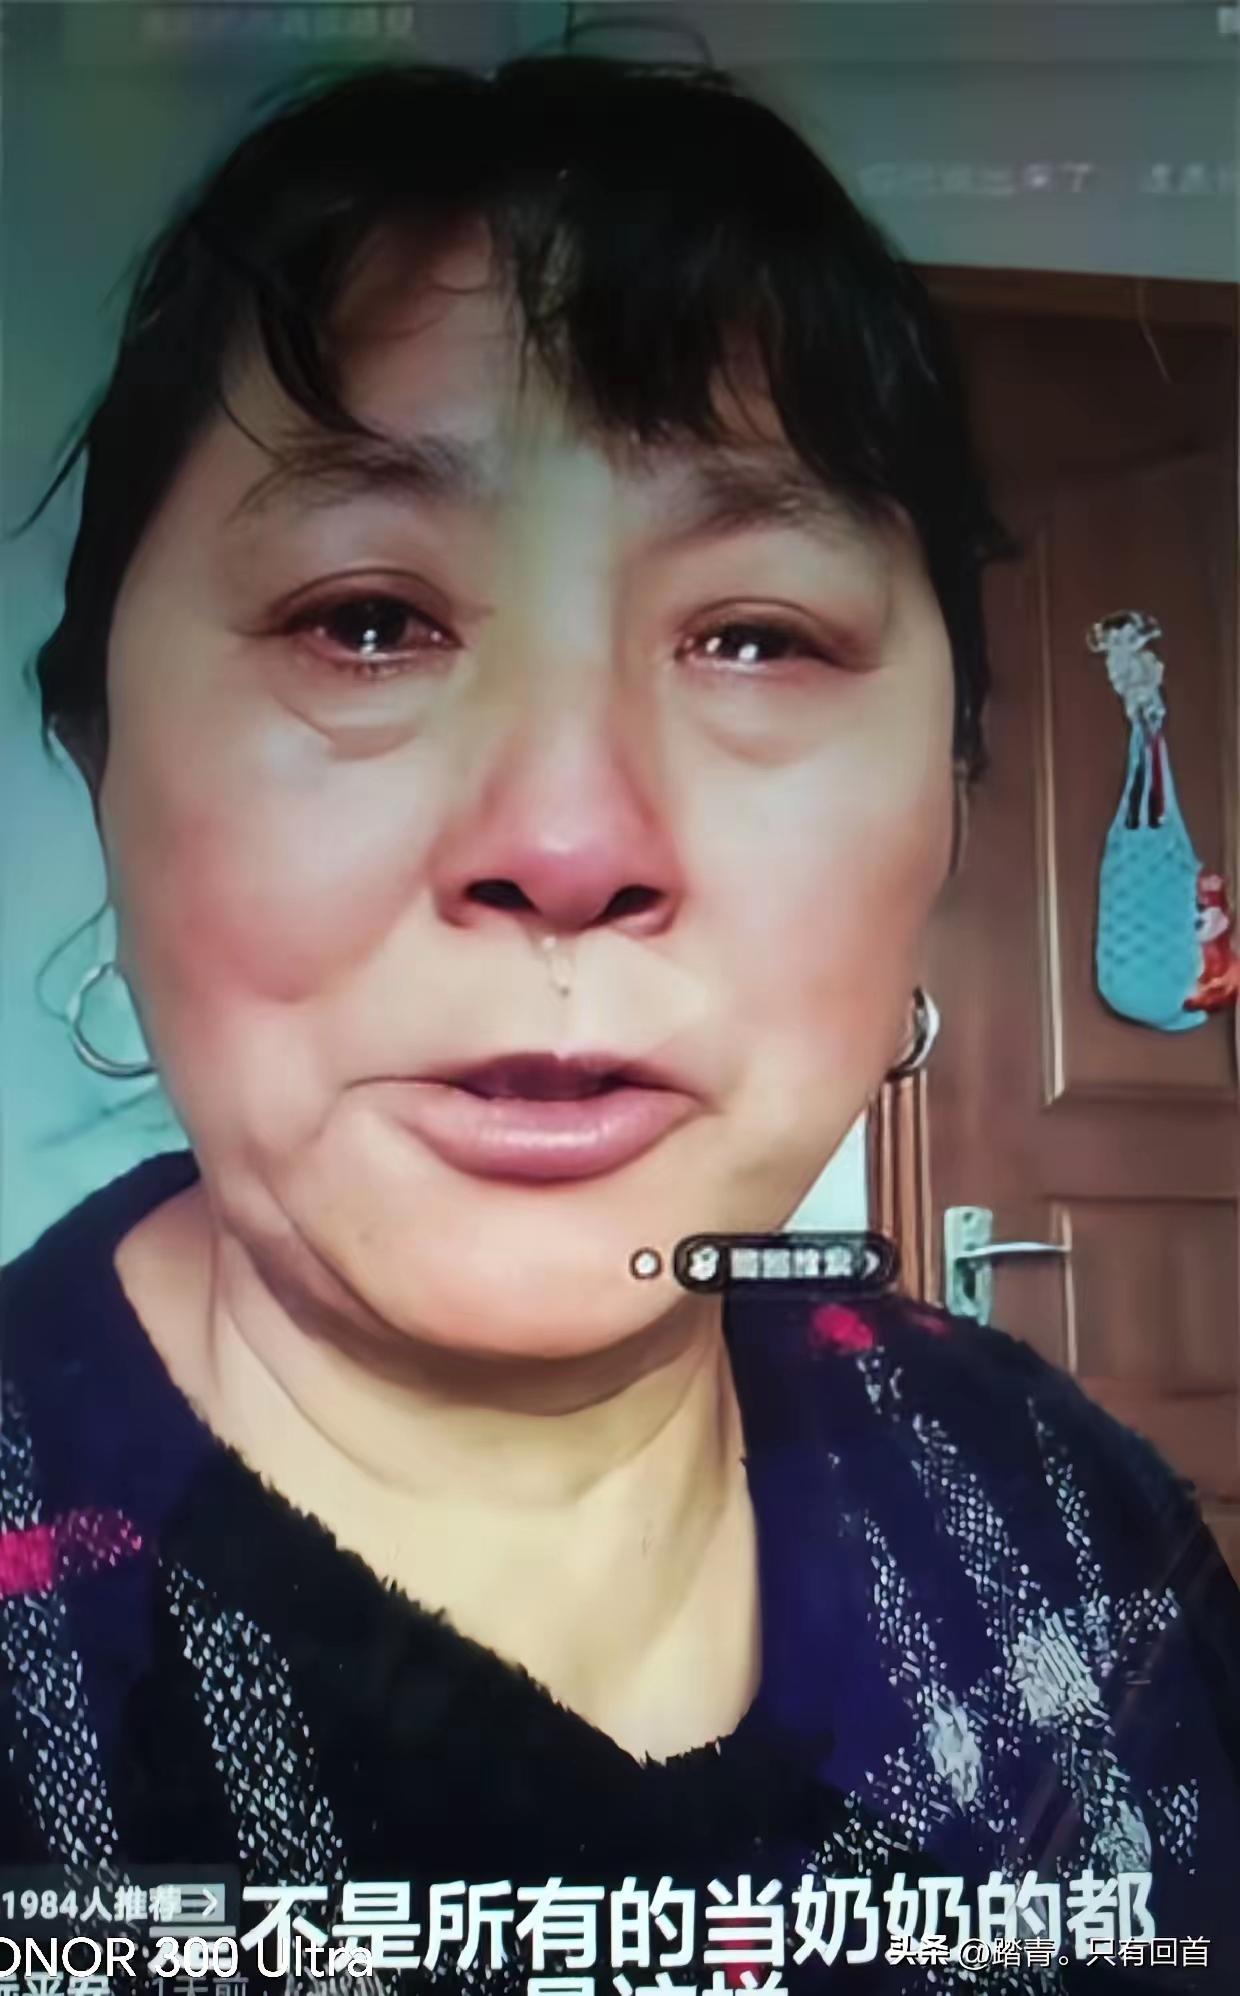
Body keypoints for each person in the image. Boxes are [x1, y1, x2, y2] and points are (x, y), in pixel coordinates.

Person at [2, 54, 1237, 1994]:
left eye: (754, 635)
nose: (568, 841)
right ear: (104, 758)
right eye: (367, 619)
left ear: (946, 797)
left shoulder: (1061, 1518)